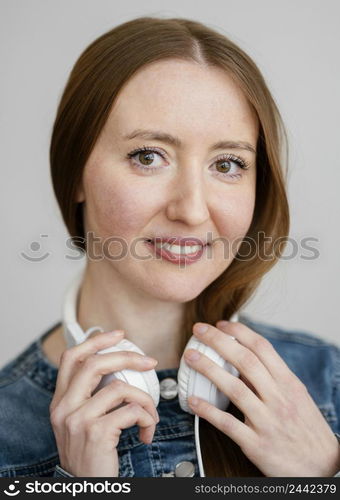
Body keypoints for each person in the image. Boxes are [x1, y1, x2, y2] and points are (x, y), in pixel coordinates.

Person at [0, 16, 339, 478]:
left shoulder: (328, 383)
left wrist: (322, 476)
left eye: (227, 163)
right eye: (148, 157)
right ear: (76, 170)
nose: (193, 210)